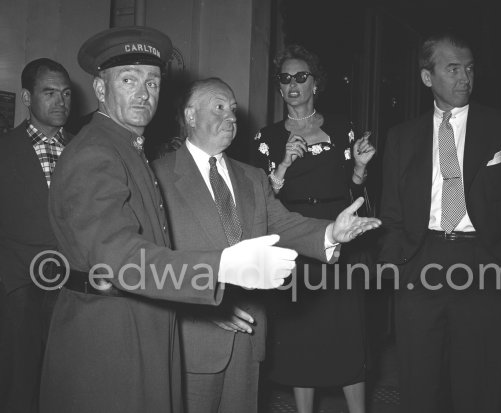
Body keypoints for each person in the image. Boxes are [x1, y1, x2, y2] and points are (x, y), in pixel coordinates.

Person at [40, 26, 307, 413]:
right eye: (128, 80)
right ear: (100, 89)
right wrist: (223, 266)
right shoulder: (96, 153)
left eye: (152, 81)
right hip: (110, 339)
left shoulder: (127, 148)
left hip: (137, 326)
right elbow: (119, 258)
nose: (143, 92)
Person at [152, 77, 381, 413]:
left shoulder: (252, 178)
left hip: (248, 337)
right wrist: (203, 303)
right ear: (189, 115)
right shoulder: (157, 176)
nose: (231, 116)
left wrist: (332, 232)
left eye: (232, 109)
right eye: (219, 107)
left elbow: (284, 224)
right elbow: (154, 258)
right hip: (192, 337)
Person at [379, 32, 501, 413]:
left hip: (484, 263)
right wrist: (399, 265)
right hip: (420, 264)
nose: (464, 77)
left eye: (469, 68)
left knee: (480, 389)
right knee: (419, 387)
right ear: (427, 77)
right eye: (452, 69)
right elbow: (391, 215)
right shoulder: (401, 138)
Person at [250, 44, 376, 413]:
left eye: (301, 77)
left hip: (340, 236)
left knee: (347, 332)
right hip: (294, 239)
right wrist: (283, 166)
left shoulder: (342, 129)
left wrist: (362, 167)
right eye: (285, 79)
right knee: (300, 334)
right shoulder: (266, 138)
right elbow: (261, 197)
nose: (293, 85)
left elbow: (355, 188)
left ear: (315, 84)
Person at [0, 58, 72, 413]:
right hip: (19, 290)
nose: (61, 101)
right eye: (49, 92)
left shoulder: (84, 149)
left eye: (66, 93)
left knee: (64, 386)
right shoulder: (4, 150)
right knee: (19, 387)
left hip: (75, 288)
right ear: (27, 98)